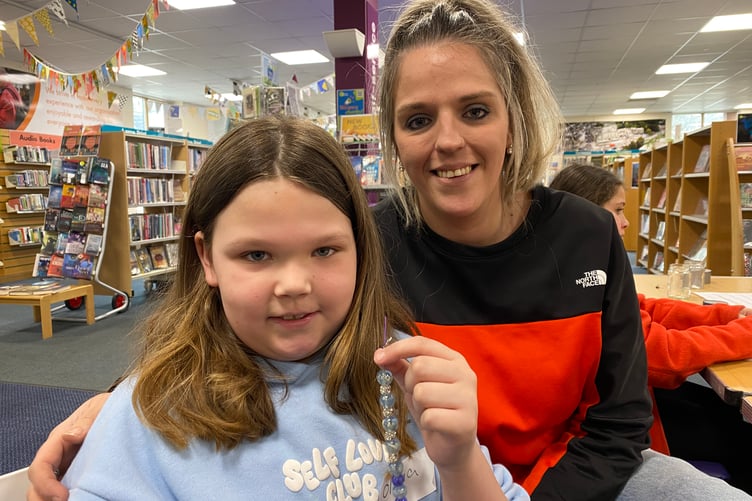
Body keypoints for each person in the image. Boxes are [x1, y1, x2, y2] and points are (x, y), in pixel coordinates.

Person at [26, 1, 752, 500]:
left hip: (546, 472)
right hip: (424, 468)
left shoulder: (587, 233)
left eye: (474, 110)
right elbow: (246, 321)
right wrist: (114, 405)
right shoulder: (363, 248)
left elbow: (621, 417)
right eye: (416, 118)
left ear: (513, 116)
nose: (447, 141)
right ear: (394, 139)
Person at [50, 115, 528, 500]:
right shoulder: (149, 420)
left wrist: (460, 459)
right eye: (256, 255)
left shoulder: (409, 373)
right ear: (206, 258)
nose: (295, 285)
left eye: (325, 251)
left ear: (360, 249)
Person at [550, 162, 752, 490]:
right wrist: (746, 333)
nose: (627, 223)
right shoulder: (572, 278)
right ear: (586, 213)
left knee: (725, 415)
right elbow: (662, 354)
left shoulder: (584, 260)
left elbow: (645, 308)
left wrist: (723, 316)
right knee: (741, 437)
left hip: (627, 406)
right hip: (609, 428)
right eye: (617, 210)